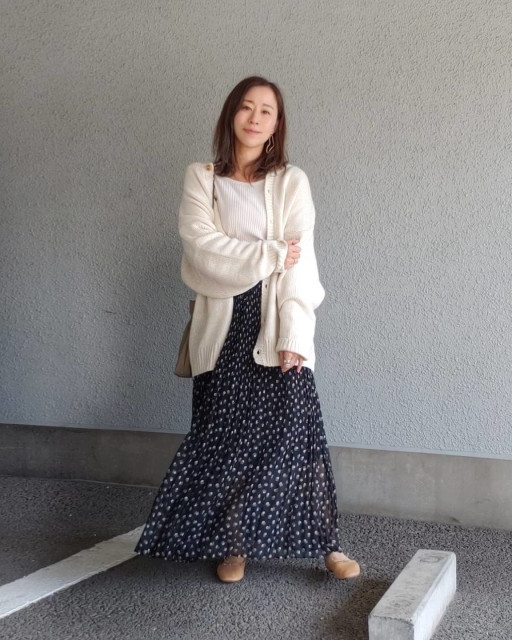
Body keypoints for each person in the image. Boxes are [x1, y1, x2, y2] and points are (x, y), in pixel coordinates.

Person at [134, 76, 360, 583]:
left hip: (275, 319)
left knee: (297, 433)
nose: (255, 118)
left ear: (277, 125)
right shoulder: (202, 178)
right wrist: (272, 253)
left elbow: (302, 265)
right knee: (225, 437)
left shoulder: (292, 181)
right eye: (246, 107)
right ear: (230, 114)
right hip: (221, 323)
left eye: (267, 111)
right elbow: (202, 250)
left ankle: (328, 545)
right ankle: (232, 546)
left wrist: (295, 335)